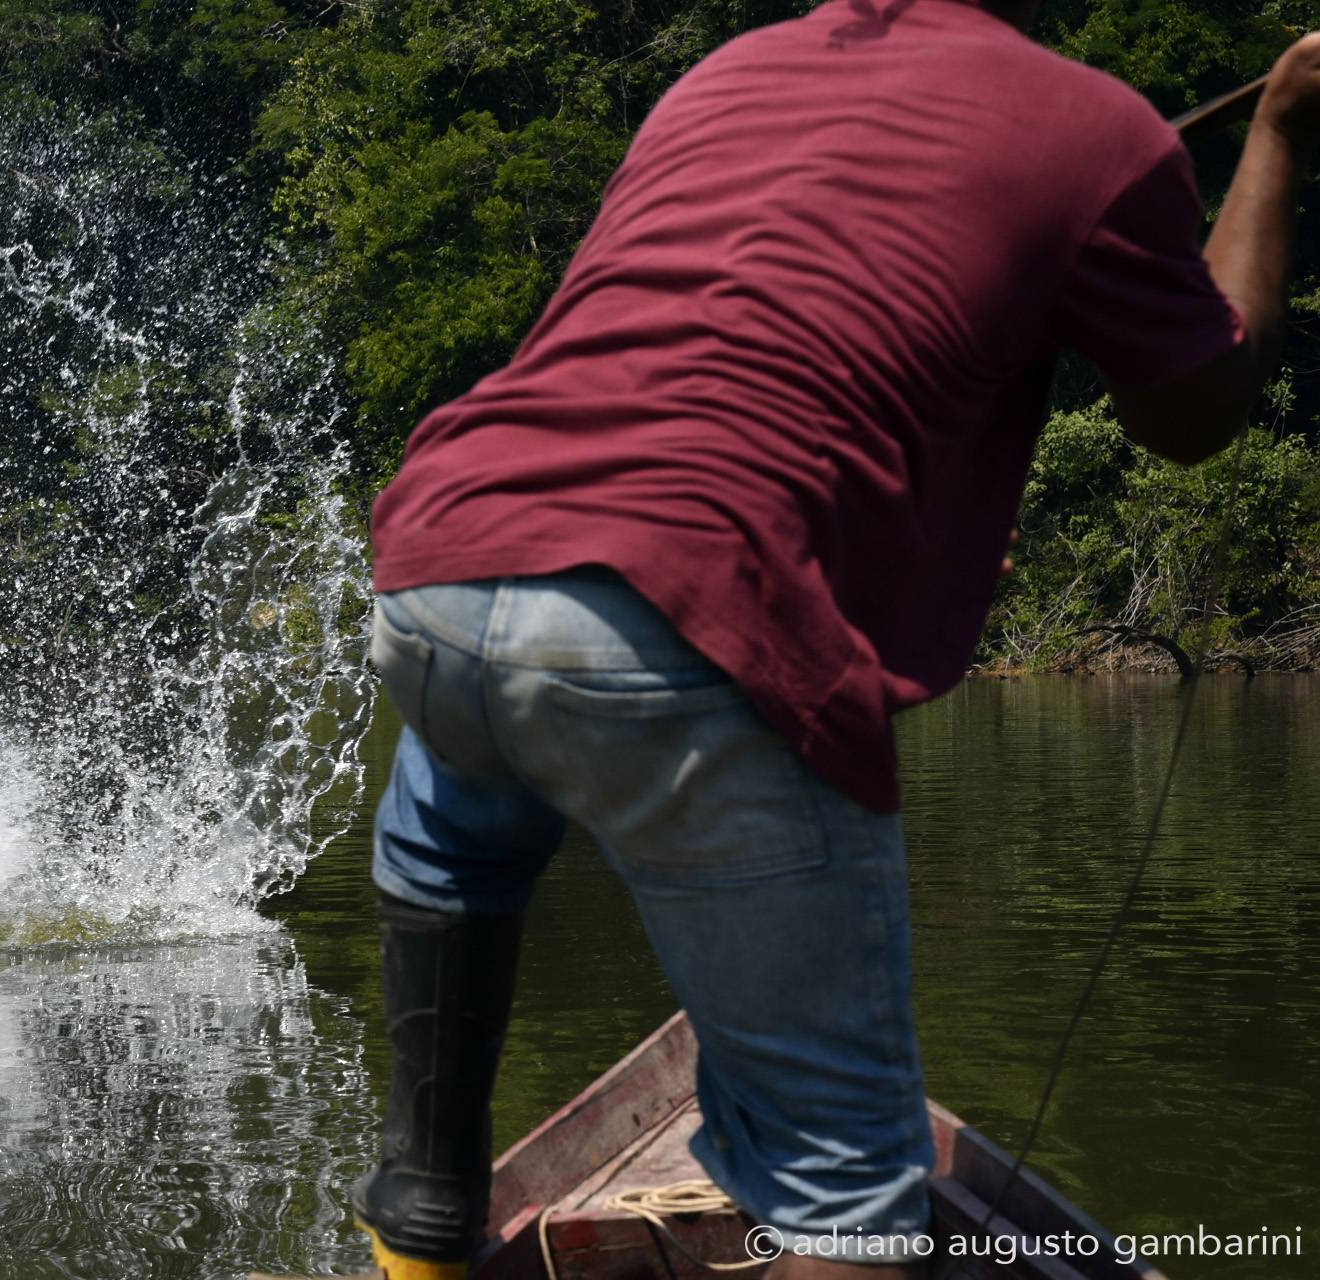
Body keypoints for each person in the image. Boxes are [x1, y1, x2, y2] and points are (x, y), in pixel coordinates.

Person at [336, 4, 1320, 1278]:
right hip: (682, 609)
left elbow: (724, 368)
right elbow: (1196, 408)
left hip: (447, 552)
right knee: (848, 1198)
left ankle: (422, 1217)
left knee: (455, 855)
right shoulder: (1102, 131)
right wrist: (1281, 131)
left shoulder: (727, 72)